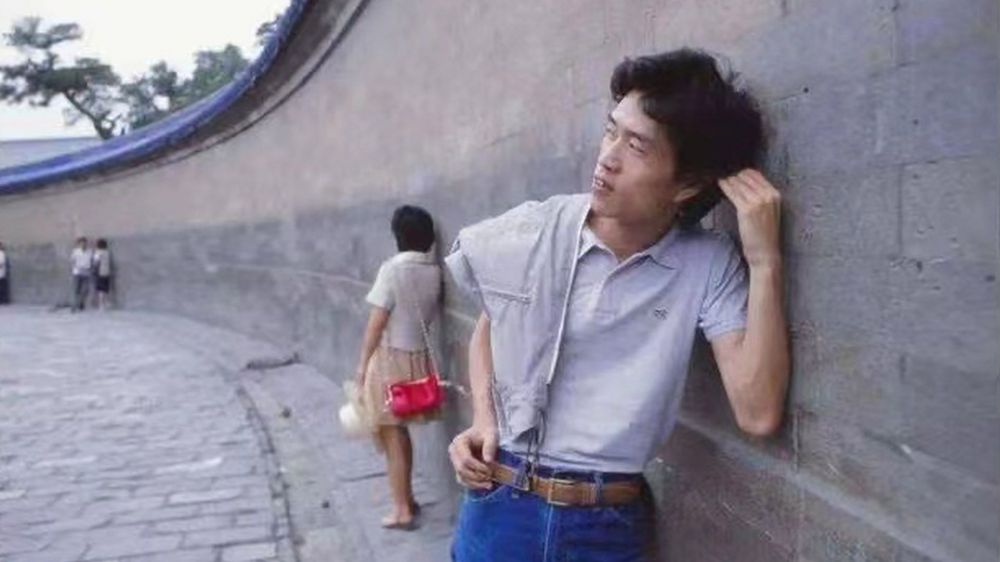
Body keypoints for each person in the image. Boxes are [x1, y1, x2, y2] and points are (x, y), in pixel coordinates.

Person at [445, 48, 790, 561]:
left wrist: (764, 262)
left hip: (607, 524)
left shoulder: (706, 263)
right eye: (612, 131)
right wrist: (484, 420)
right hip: (502, 503)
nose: (608, 157)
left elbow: (758, 411)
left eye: (636, 146)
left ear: (688, 184)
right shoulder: (537, 230)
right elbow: (494, 324)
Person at [355, 205, 443, 530]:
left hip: (390, 360)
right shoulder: (434, 270)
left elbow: (376, 324)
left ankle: (402, 509)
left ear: (398, 236)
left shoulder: (392, 269)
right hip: (418, 359)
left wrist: (362, 366)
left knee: (392, 435)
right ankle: (407, 499)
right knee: (400, 432)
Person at [70, 237, 93, 312]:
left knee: (86, 290)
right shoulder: (75, 251)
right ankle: (74, 306)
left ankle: (81, 302)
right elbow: (72, 261)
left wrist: (90, 269)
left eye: (85, 243)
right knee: (76, 290)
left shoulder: (90, 252)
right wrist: (74, 268)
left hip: (86, 272)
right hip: (77, 272)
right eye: (82, 243)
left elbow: (91, 261)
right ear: (79, 244)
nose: (83, 244)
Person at [92, 239, 113, 311]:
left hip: (100, 272)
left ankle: (101, 304)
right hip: (107, 272)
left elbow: (96, 263)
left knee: (100, 290)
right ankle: (106, 303)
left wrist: (94, 271)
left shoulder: (98, 253)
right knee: (106, 289)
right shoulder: (107, 253)